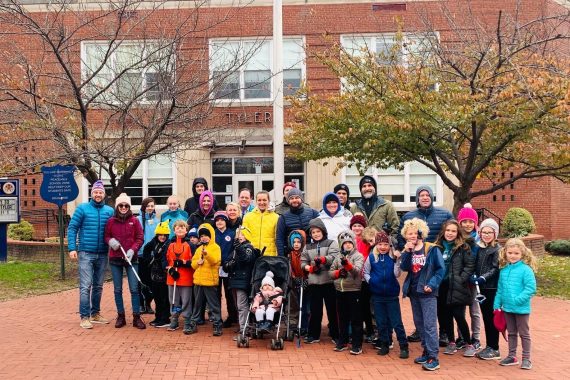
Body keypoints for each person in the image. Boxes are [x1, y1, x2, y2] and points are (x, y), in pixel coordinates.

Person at [398, 185, 453, 344]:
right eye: (421, 195)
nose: (425, 197)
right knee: (420, 306)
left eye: (428, 194)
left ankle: (442, 332)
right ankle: (421, 333)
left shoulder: (444, 214)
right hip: (417, 264)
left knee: (440, 301)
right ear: (417, 198)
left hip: (437, 260)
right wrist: (406, 249)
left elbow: (451, 231)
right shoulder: (409, 216)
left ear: (432, 197)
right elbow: (401, 236)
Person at [67, 180, 114, 329]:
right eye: (95, 192)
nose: (98, 194)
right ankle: (84, 317)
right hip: (86, 252)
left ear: (104, 194)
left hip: (102, 253)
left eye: (100, 192)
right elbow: (72, 228)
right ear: (91, 193)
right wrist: (72, 248)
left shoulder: (109, 211)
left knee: (98, 286)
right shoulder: (82, 209)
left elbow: (113, 231)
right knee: (85, 286)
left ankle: (95, 314)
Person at [399, 218, 444, 371]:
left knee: (430, 325)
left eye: (414, 232)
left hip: (427, 292)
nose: (412, 236)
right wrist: (407, 251)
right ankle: (426, 351)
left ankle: (434, 357)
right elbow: (404, 268)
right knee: (420, 324)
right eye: (409, 233)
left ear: (421, 232)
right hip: (414, 291)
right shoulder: (409, 249)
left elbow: (440, 270)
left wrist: (432, 285)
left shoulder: (431, 249)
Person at [434, 220, 476, 357]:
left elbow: (469, 265)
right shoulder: (437, 247)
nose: (450, 233)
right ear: (443, 232)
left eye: (453, 231)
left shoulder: (463, 247)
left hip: (457, 286)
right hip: (441, 286)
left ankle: (468, 343)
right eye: (448, 230)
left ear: (457, 233)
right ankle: (451, 342)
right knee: (446, 316)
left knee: (458, 315)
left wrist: (461, 279)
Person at [364, 230, 408, 359]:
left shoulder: (393, 257)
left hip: (391, 296)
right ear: (376, 245)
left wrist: (397, 260)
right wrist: (371, 281)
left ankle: (404, 345)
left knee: (396, 322)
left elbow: (396, 274)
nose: (383, 247)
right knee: (381, 322)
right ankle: (384, 344)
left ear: (389, 245)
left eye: (385, 244)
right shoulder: (372, 257)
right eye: (380, 244)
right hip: (377, 295)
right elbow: (365, 272)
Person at [494, 238, 537, 370]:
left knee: (524, 334)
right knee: (511, 333)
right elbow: (500, 289)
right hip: (507, 308)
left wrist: (517, 300)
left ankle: (526, 358)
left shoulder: (526, 270)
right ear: (505, 252)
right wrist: (497, 304)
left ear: (522, 254)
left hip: (522, 309)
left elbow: (530, 288)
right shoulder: (504, 270)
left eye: (516, 253)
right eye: (510, 253)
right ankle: (512, 356)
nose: (512, 256)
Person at [104, 193, 145, 329]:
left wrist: (133, 249)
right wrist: (111, 241)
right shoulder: (111, 221)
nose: (123, 207)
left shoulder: (135, 220)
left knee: (134, 289)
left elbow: (140, 238)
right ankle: (121, 316)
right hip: (115, 259)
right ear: (117, 206)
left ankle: (136, 317)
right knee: (117, 289)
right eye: (121, 205)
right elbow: (106, 236)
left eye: (126, 205)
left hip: (131, 259)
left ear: (129, 206)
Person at [301, 218, 340, 344]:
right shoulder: (307, 246)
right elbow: (303, 261)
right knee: (315, 310)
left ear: (323, 231)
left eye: (318, 231)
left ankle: (335, 334)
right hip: (314, 282)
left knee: (332, 309)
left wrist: (322, 260)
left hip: (329, 281)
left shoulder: (331, 243)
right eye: (313, 232)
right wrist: (310, 267)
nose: (316, 234)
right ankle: (314, 334)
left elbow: (334, 257)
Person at [330, 230, 364, 355]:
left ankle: (357, 345)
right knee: (342, 318)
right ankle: (342, 342)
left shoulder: (358, 256)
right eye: (345, 243)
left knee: (355, 319)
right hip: (340, 290)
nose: (347, 245)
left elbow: (357, 271)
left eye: (350, 243)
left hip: (353, 290)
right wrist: (339, 273)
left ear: (353, 244)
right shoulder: (338, 257)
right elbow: (331, 273)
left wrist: (347, 265)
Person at [471, 218, 502, 360]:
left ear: (495, 234)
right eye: (484, 232)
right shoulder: (480, 248)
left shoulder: (497, 249)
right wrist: (473, 275)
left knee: (491, 319)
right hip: (481, 289)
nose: (486, 235)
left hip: (491, 288)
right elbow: (475, 264)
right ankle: (489, 345)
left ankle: (494, 348)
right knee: (486, 317)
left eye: (490, 232)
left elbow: (495, 268)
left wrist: (483, 277)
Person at [457, 203, 482, 350]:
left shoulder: (479, 240)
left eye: (471, 221)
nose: (467, 224)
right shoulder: (457, 239)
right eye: (464, 221)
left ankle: (476, 337)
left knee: (474, 310)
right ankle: (461, 336)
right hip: (460, 280)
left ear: (475, 223)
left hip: (474, 281)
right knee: (460, 311)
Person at [190, 223, 223, 336]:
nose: (203, 237)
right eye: (202, 235)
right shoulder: (199, 248)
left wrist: (207, 254)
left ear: (211, 236)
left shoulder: (216, 247)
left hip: (210, 281)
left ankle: (217, 324)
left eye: (206, 235)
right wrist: (197, 263)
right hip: (198, 281)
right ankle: (193, 323)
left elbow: (215, 261)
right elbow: (193, 264)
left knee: (213, 305)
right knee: (197, 305)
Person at [225, 227, 258, 336]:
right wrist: (228, 265)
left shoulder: (249, 247)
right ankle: (244, 327)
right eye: (238, 234)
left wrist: (238, 248)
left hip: (243, 282)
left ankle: (245, 330)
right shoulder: (234, 248)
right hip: (234, 281)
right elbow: (227, 263)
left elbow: (246, 259)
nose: (239, 236)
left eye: (242, 235)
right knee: (238, 306)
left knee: (242, 306)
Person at [164, 220, 194, 334]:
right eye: (177, 228)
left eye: (182, 227)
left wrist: (183, 263)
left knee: (186, 300)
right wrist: (171, 270)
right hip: (172, 278)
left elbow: (193, 261)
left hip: (186, 278)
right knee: (173, 300)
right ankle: (174, 319)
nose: (180, 229)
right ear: (174, 230)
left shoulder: (190, 245)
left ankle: (187, 321)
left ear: (186, 230)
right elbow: (165, 260)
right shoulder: (170, 245)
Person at [350, 214, 375, 343]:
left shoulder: (367, 241)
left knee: (366, 306)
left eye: (359, 225)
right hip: (353, 278)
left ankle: (370, 331)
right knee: (356, 307)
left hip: (365, 277)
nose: (357, 228)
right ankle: (357, 331)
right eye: (354, 225)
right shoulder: (349, 240)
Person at [142, 221, 171, 328]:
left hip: (164, 276)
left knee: (164, 298)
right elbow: (146, 249)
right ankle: (158, 317)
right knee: (157, 297)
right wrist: (148, 259)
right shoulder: (153, 242)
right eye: (160, 234)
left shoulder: (168, 244)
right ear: (157, 234)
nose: (162, 237)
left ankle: (165, 318)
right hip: (154, 275)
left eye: (164, 235)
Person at [276, 188, 319, 257]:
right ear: (288, 201)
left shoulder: (313, 213)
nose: (294, 200)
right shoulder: (283, 218)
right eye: (291, 198)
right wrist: (281, 258)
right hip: (292, 255)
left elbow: (321, 233)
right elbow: (279, 239)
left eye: (297, 197)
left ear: (301, 199)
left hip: (311, 254)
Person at [214, 211, 238, 328]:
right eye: (217, 220)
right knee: (216, 293)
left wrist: (228, 262)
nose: (219, 222)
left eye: (222, 220)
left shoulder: (232, 234)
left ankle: (232, 316)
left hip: (228, 268)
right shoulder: (213, 234)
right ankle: (217, 317)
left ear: (226, 221)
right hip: (215, 268)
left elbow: (234, 250)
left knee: (229, 293)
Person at [137, 197, 159, 314]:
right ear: (144, 207)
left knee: (151, 281)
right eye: (148, 206)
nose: (150, 208)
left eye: (152, 206)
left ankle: (148, 304)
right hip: (140, 255)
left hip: (152, 256)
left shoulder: (157, 221)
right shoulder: (138, 219)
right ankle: (141, 304)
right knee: (140, 281)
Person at [242, 191, 279, 256]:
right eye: (259, 200)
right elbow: (244, 236)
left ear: (269, 201)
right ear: (256, 201)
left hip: (270, 256)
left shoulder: (276, 217)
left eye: (264, 200)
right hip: (252, 255)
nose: (262, 202)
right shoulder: (247, 217)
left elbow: (278, 238)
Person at [287, 229, 309, 335]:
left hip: (305, 281)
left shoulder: (305, 253)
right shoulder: (290, 255)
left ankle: (305, 326)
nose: (296, 244)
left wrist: (306, 279)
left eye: (298, 242)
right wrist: (294, 277)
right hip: (295, 281)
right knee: (296, 304)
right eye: (294, 242)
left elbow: (308, 267)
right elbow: (290, 268)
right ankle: (295, 325)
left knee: (305, 306)